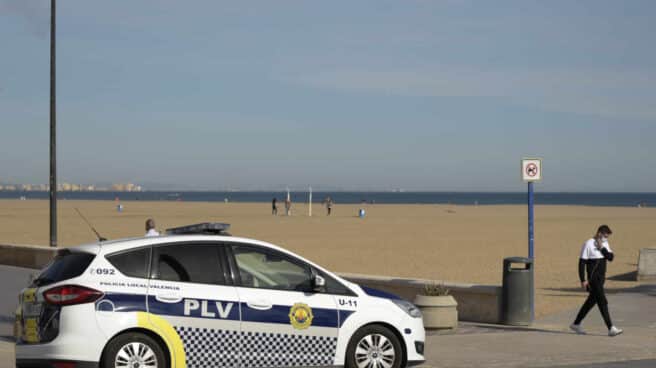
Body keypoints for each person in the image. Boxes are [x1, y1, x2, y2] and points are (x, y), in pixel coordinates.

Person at [570, 225, 623, 337]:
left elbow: (611, 257)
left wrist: (602, 248)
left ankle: (576, 323)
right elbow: (581, 263)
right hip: (593, 279)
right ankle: (611, 328)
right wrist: (583, 280)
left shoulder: (605, 244)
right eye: (605, 236)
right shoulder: (588, 244)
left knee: (590, 302)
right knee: (602, 301)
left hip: (601, 279)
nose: (606, 239)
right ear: (599, 233)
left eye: (607, 237)